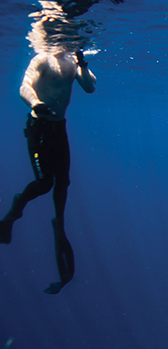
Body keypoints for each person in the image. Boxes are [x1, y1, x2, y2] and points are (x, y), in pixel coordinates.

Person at [0, 48, 96, 294]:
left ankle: (60, 225)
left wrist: (82, 63)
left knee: (63, 184)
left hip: (58, 130)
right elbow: (24, 86)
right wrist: (36, 103)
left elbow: (90, 87)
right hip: (39, 129)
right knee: (44, 183)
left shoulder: (72, 61)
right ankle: (13, 213)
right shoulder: (42, 58)